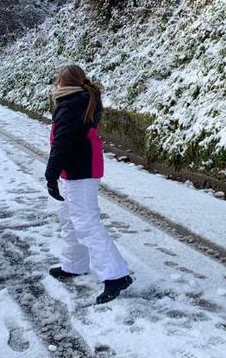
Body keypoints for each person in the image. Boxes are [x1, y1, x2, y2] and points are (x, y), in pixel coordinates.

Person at [45, 65, 132, 304]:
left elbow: (62, 143)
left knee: (85, 221)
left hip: (80, 170)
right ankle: (74, 264)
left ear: (62, 83)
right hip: (78, 168)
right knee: (69, 217)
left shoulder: (70, 104)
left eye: (57, 81)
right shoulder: (80, 100)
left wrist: (50, 175)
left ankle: (116, 275)